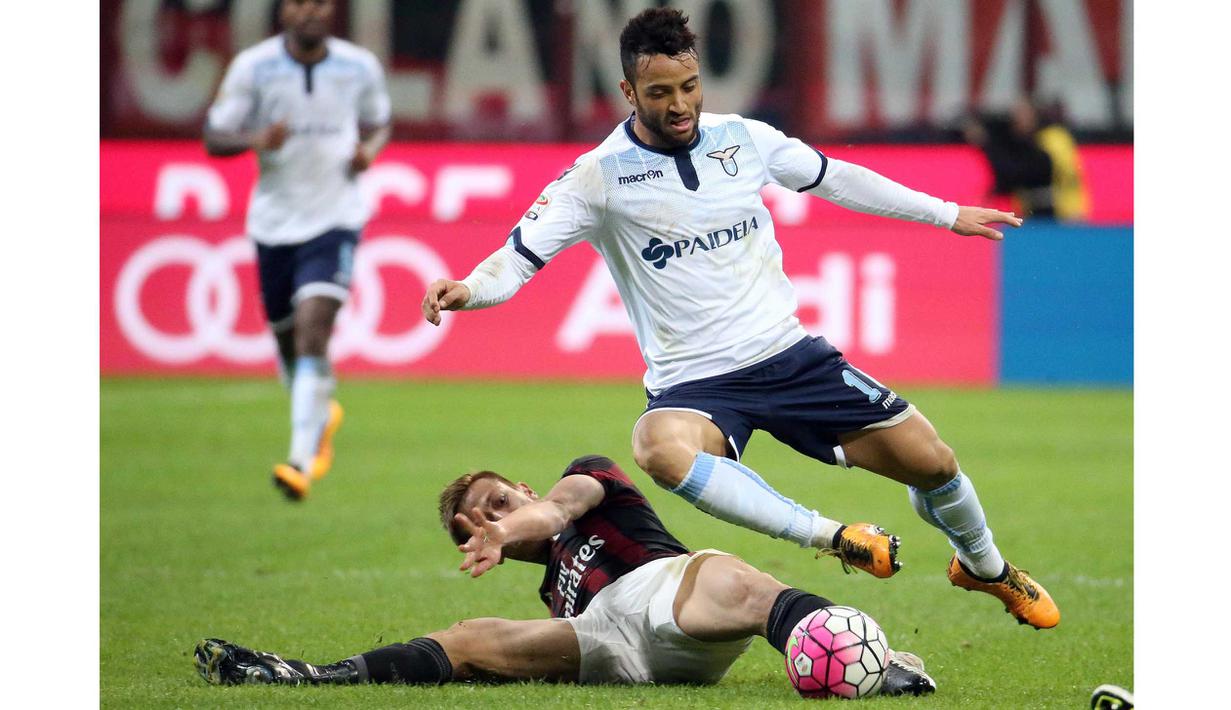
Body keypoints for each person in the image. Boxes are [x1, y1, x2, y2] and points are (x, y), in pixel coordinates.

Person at [420, 8, 1058, 629]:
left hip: (791, 357)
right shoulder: (597, 178)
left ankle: (986, 567)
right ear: (627, 91)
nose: (679, 105)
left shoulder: (743, 139)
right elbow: (520, 255)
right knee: (656, 447)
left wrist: (948, 213)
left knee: (936, 465)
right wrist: (470, 289)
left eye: (689, 86)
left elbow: (838, 179)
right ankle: (834, 537)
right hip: (696, 386)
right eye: (659, 92)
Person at [195, 455, 935, 694]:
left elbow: (554, 511)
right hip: (600, 639)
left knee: (730, 578)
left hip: (665, 591)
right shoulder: (551, 586)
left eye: (492, 506)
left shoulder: (587, 482)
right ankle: (309, 677)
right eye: (472, 529)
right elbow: (541, 556)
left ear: (518, 489)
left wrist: (517, 522)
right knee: (473, 636)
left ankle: (865, 656)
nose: (487, 524)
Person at [203, 0, 391, 500]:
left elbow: (379, 123)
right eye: (299, 3)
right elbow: (214, 136)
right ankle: (319, 415)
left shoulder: (358, 66)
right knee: (288, 342)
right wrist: (255, 137)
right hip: (273, 223)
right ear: (283, 11)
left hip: (336, 218)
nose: (310, 11)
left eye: (319, 3)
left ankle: (300, 460)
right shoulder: (253, 66)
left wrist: (366, 153)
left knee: (313, 330)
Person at [963, 98, 1089, 221]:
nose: (1017, 121)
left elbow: (1031, 172)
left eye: (1023, 116)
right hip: (1033, 211)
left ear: (1035, 115)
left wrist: (987, 144)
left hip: (1062, 212)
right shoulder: (1026, 140)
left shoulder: (1052, 139)